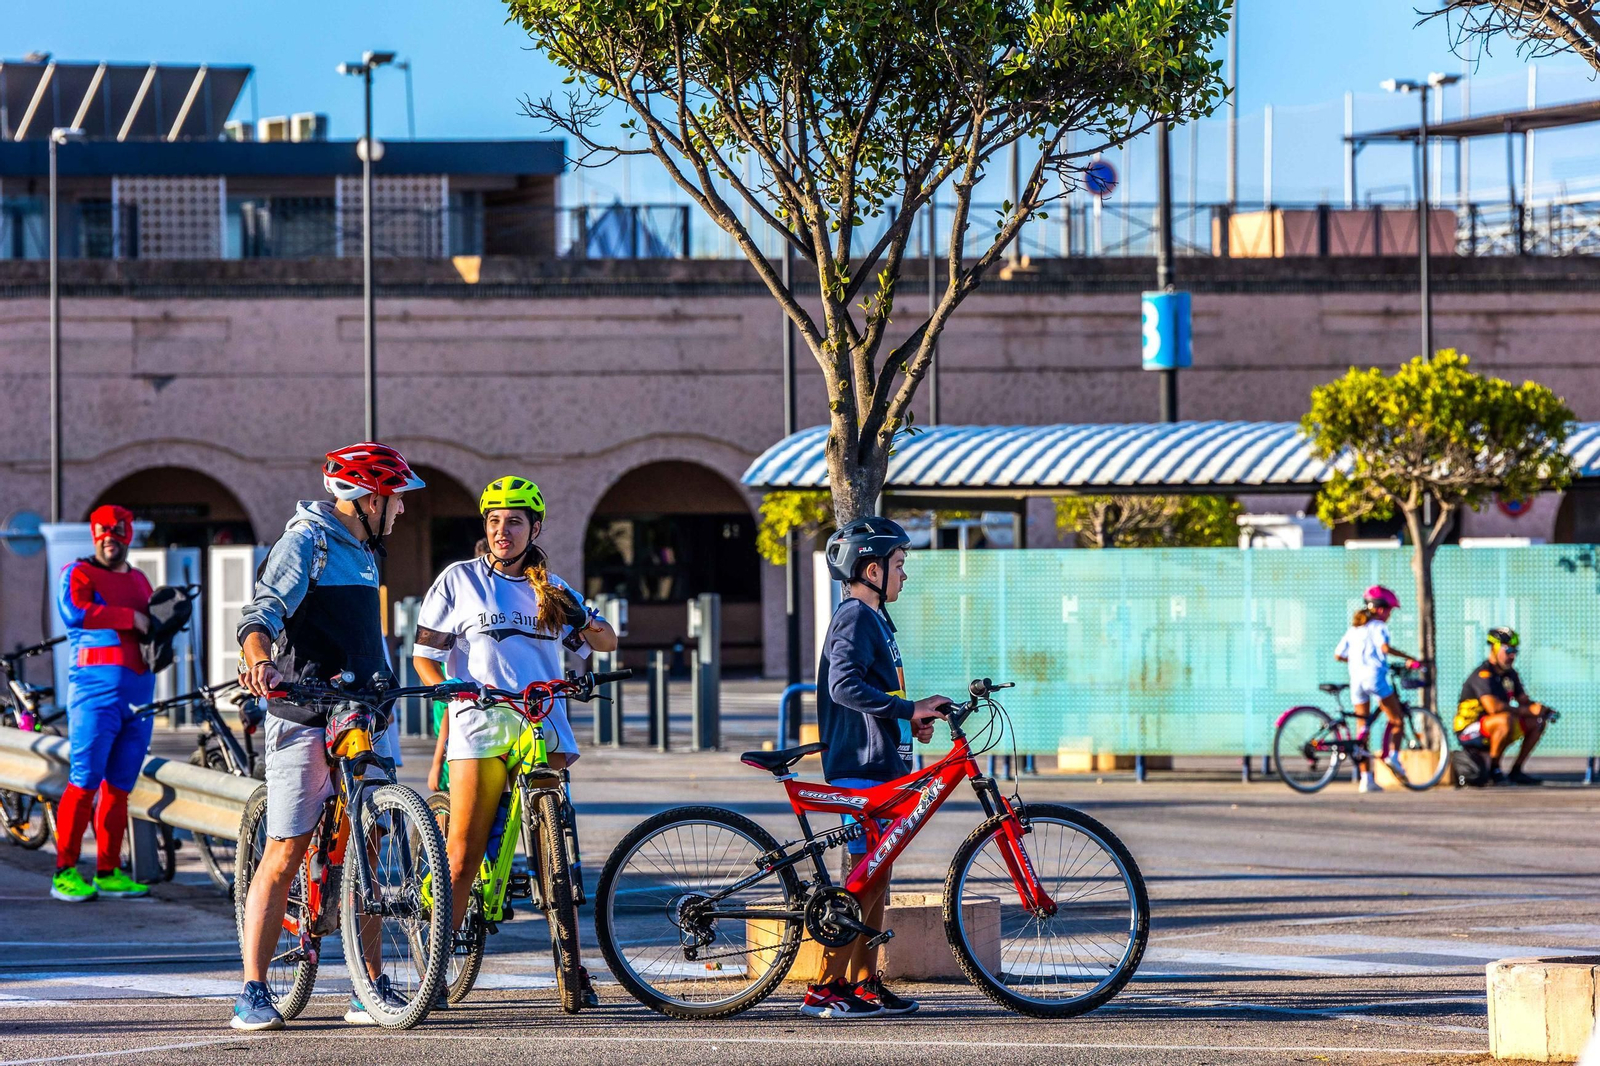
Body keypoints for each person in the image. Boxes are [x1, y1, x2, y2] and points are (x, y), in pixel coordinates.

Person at [230, 442, 425, 1031]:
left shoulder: (366, 551)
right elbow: (260, 613)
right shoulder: (307, 542)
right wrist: (257, 657)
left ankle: (368, 989)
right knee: (286, 849)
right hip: (305, 710)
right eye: (396, 499)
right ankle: (253, 991)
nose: (402, 511)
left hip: (363, 712)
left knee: (369, 843)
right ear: (367, 499)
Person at [412, 476, 617, 1007]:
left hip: (541, 720)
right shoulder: (459, 580)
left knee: (556, 855)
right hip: (479, 721)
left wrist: (582, 617)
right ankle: (434, 973)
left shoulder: (551, 587)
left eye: (515, 521)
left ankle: (572, 970)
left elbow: (606, 642)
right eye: (494, 521)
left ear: (535, 528)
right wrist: (447, 693)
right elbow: (424, 657)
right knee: (462, 855)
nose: (503, 530)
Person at [804, 516, 952, 1020]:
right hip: (861, 766)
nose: (904, 574)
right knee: (865, 878)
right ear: (871, 569)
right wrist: (908, 710)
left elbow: (875, 693)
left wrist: (909, 719)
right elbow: (842, 686)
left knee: (877, 876)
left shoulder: (877, 619)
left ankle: (864, 983)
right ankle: (825, 988)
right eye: (899, 564)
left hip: (881, 760)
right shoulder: (854, 617)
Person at [49, 504, 154, 903]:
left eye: (117, 533)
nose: (110, 539)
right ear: (94, 536)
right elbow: (75, 613)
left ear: (127, 537)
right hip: (94, 696)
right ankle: (65, 871)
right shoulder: (78, 574)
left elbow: (155, 621)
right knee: (84, 780)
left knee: (120, 786)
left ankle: (108, 870)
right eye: (103, 533)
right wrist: (130, 618)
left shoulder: (140, 580)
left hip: (140, 696)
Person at [1332, 585, 1418, 794]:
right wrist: (1410, 658)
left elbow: (1338, 655)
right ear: (1380, 609)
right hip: (1374, 678)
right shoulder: (1379, 627)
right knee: (1397, 719)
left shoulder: (1354, 630)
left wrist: (1356, 662)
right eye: (1389, 610)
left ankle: (1366, 780)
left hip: (1356, 681)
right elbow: (1385, 649)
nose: (1389, 615)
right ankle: (1393, 757)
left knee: (1363, 731)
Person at [1455, 627, 1549, 786]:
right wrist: (1526, 710)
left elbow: (1524, 701)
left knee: (1537, 722)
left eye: (1515, 651)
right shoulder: (1483, 674)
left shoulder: (1511, 674)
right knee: (1505, 720)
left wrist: (1541, 710)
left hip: (1495, 725)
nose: (1512, 655)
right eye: (1508, 650)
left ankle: (1516, 770)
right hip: (1469, 730)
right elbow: (1493, 708)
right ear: (1494, 648)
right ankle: (1494, 768)